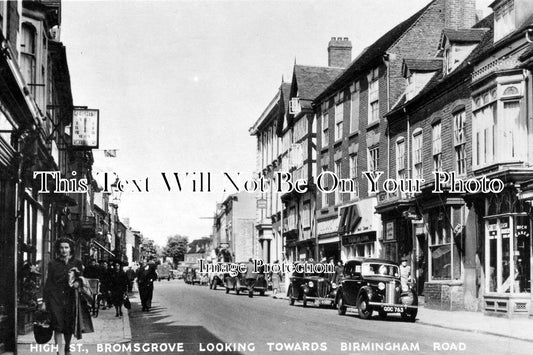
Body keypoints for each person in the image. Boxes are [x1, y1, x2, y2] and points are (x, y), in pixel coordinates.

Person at [43, 237, 85, 355]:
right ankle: (59, 352)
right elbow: (48, 283)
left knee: (68, 325)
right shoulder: (53, 263)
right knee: (57, 325)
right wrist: (44, 301)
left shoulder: (77, 263)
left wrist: (77, 283)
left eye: (66, 247)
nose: (64, 250)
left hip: (70, 297)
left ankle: (67, 348)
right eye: (61, 248)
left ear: (70, 249)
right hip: (55, 298)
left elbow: (81, 278)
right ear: (58, 249)